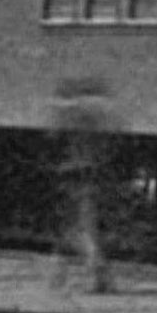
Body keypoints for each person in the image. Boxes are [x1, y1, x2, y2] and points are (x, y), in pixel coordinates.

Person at [49, 76, 117, 292]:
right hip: (87, 173)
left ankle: (96, 276)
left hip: (77, 173)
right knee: (79, 226)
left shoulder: (76, 118)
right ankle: (64, 275)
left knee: (81, 227)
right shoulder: (98, 117)